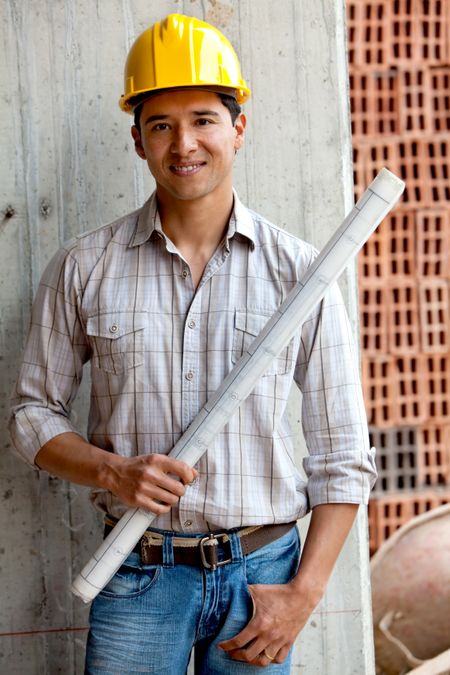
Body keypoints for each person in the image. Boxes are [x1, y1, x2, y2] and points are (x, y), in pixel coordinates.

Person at [9, 13, 377, 675]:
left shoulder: (303, 275)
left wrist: (305, 593)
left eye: (204, 119)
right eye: (161, 125)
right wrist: (112, 472)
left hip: (262, 578)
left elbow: (343, 452)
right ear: (138, 140)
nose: (184, 143)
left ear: (239, 127)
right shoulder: (84, 267)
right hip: (135, 572)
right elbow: (31, 415)